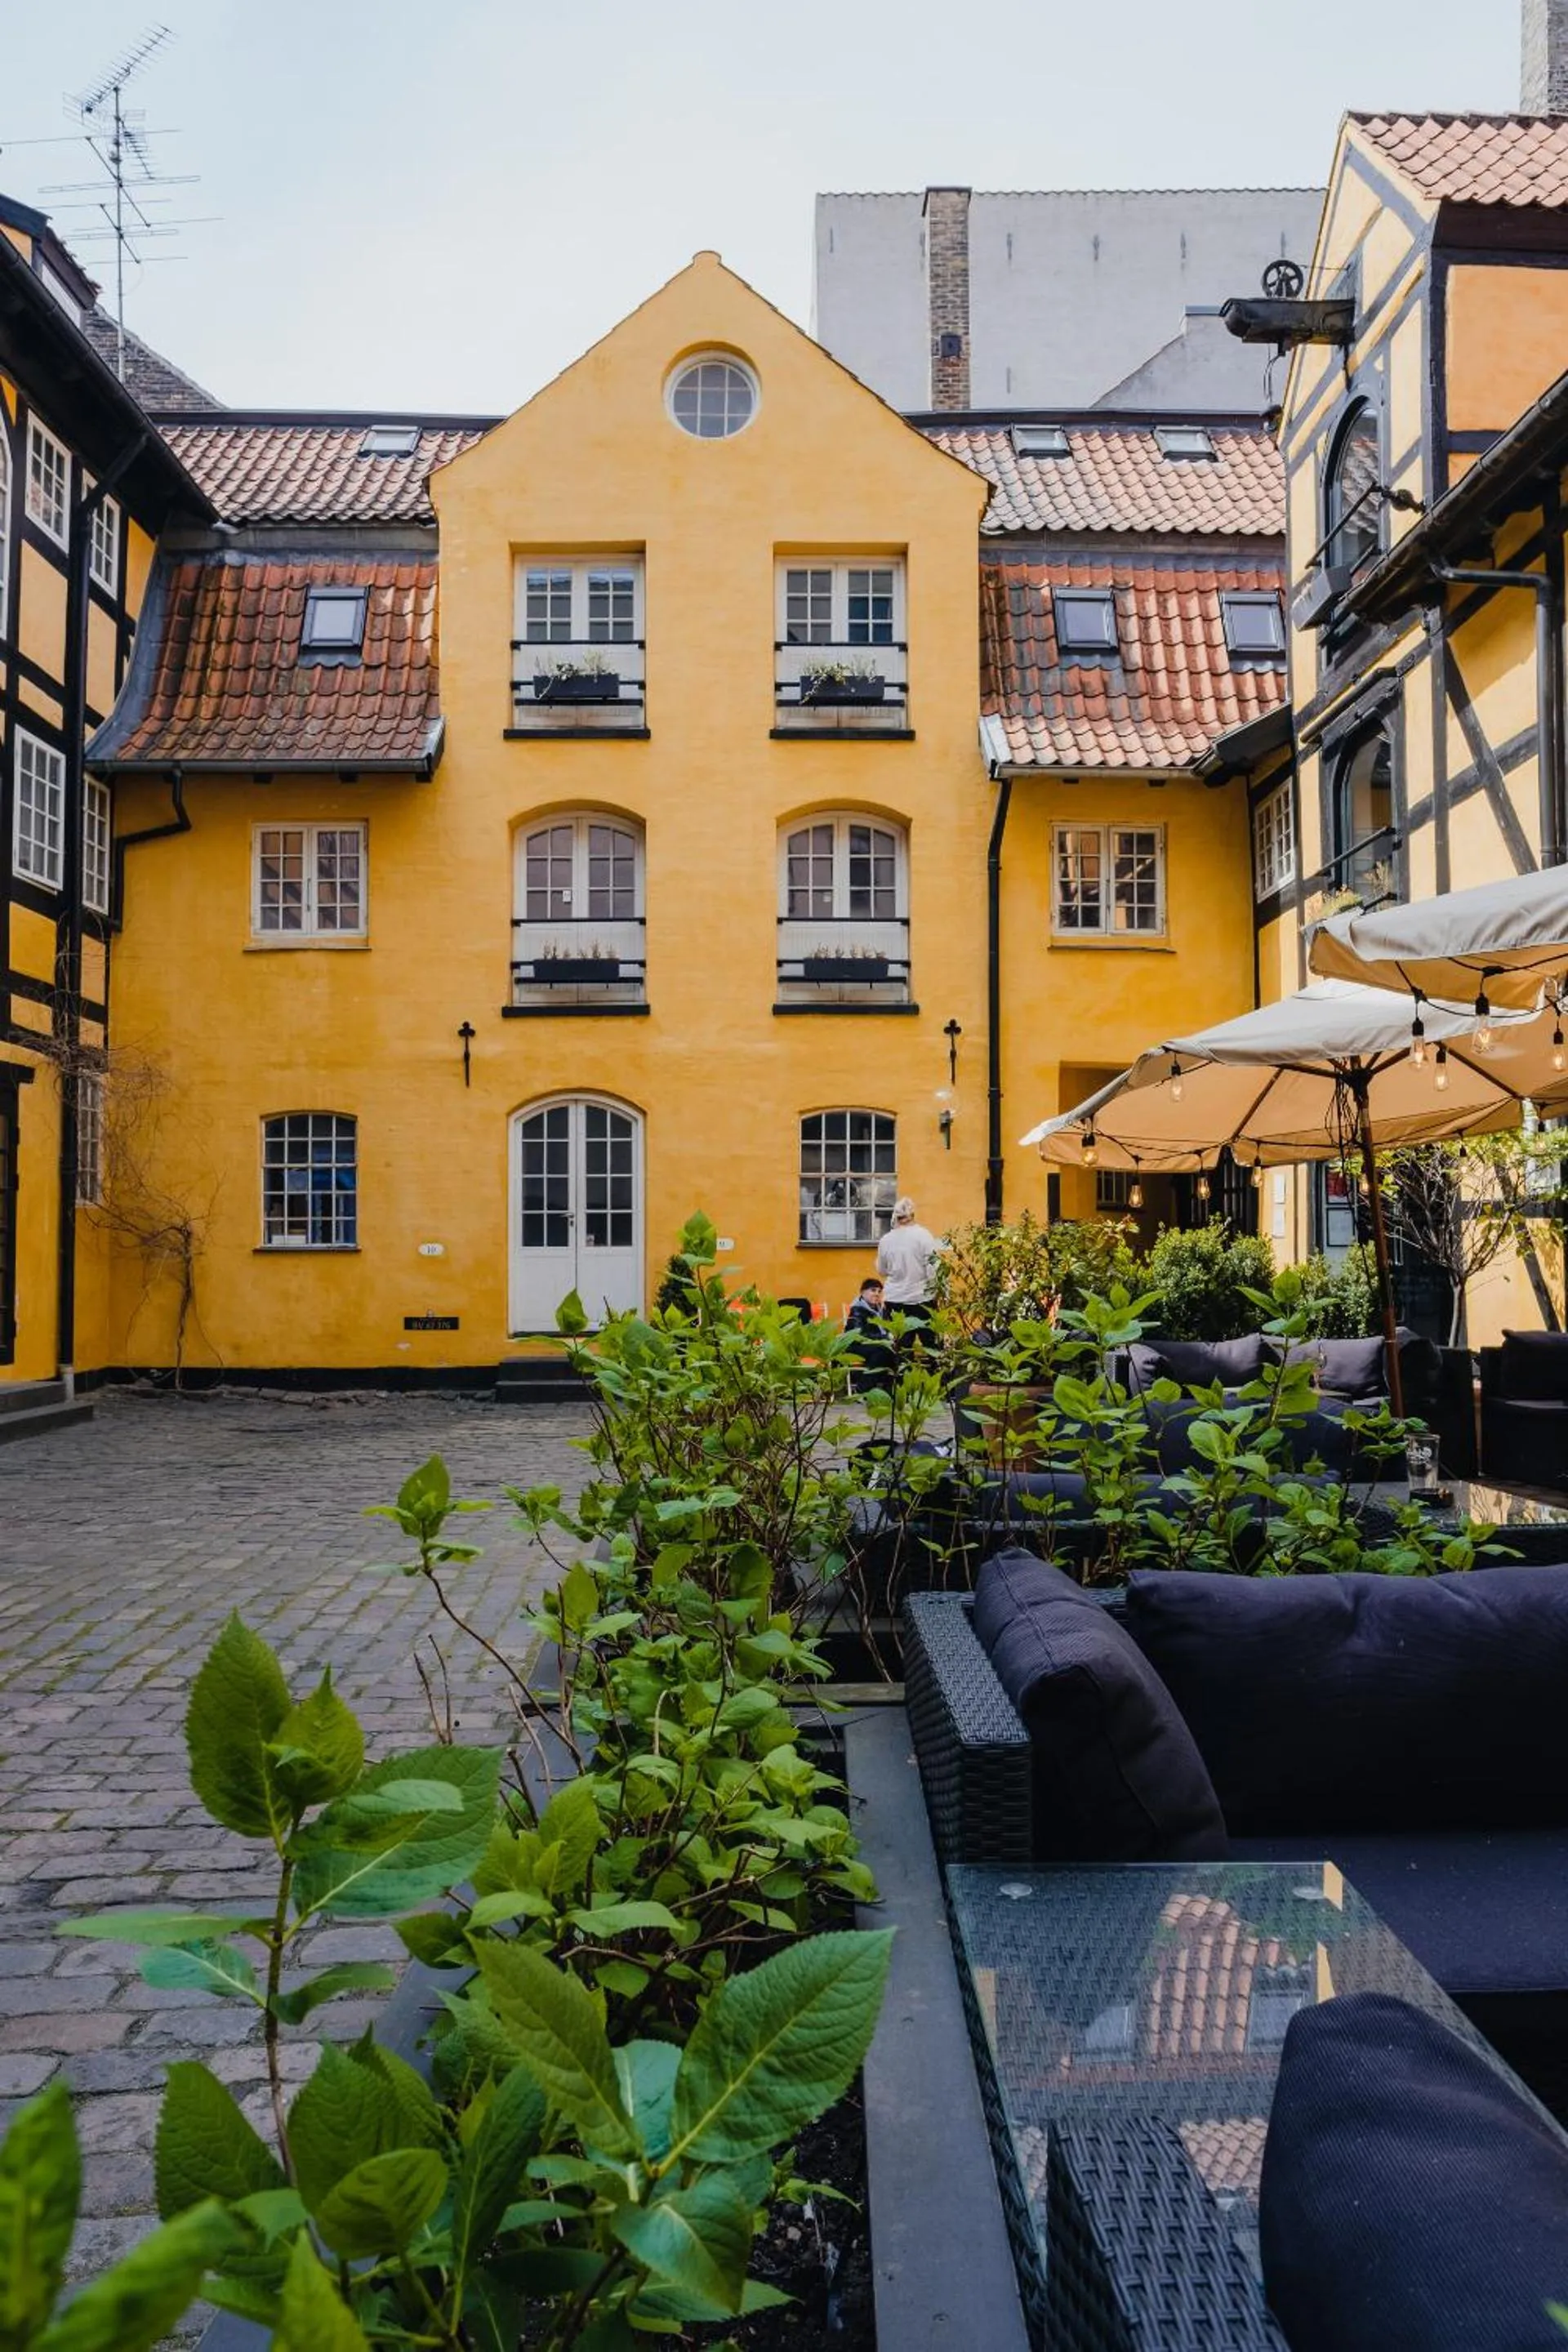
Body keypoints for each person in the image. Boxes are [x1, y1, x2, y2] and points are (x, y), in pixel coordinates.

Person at [876, 1197, 939, 1350]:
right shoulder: (924, 1236)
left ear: (895, 1216)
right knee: (931, 1345)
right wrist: (936, 1293)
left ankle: (903, 1374)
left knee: (902, 1347)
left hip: (895, 1300)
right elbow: (933, 1268)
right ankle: (933, 1372)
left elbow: (882, 1271)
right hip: (922, 1298)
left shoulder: (886, 1240)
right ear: (913, 1214)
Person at [844, 1275, 893, 1390]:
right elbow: (860, 1334)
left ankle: (890, 1388)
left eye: (879, 1291)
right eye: (873, 1290)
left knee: (894, 1351)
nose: (877, 1294)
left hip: (875, 1344)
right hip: (856, 1344)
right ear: (862, 1292)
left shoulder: (881, 1309)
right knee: (882, 1351)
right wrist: (885, 1337)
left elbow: (889, 1326)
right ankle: (864, 1387)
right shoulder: (857, 1310)